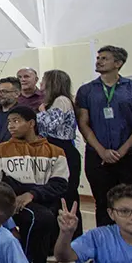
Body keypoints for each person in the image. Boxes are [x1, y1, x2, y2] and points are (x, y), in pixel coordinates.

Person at [75, 45, 132, 226]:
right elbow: (83, 124)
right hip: (98, 157)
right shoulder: (86, 90)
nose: (99, 61)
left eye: (104, 58)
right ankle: (105, 249)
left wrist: (122, 150)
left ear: (118, 63)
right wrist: (102, 151)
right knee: (103, 204)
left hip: (131, 157)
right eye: (98, 57)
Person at [0, 105, 67, 263]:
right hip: (13, 202)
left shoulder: (55, 151)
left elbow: (60, 184)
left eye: (16, 121)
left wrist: (32, 193)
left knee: (48, 217)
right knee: (40, 218)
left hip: (43, 200)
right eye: (9, 122)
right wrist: (15, 195)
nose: (11, 126)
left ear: (31, 123)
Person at [35, 69, 83, 234]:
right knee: (54, 196)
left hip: (64, 150)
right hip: (52, 150)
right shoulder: (52, 102)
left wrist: (41, 112)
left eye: (43, 79)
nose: (40, 82)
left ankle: (72, 237)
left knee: (67, 195)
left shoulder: (61, 100)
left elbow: (51, 125)